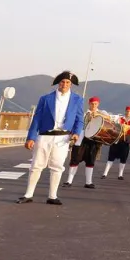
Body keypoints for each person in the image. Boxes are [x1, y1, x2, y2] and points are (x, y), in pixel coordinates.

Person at [17, 71, 86, 206]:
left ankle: (52, 196)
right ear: (58, 83)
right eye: (62, 82)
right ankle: (28, 194)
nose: (65, 84)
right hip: (44, 136)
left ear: (71, 85)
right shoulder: (45, 98)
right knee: (36, 165)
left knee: (57, 167)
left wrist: (76, 133)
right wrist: (31, 137)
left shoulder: (77, 100)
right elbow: (36, 118)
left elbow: (79, 120)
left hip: (63, 138)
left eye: (67, 83)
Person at [64, 95, 104, 188]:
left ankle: (88, 182)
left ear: (98, 104)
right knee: (75, 160)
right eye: (92, 104)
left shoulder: (102, 113)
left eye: (95, 104)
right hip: (81, 139)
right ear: (89, 104)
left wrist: (98, 114)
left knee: (90, 161)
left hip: (94, 140)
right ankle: (69, 181)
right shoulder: (84, 113)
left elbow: (108, 118)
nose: (93, 106)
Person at [103, 106, 130, 180]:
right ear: (125, 111)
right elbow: (114, 127)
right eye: (127, 111)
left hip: (126, 139)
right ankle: (105, 173)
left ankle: (120, 175)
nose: (128, 113)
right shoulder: (120, 119)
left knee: (123, 158)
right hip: (117, 138)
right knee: (111, 156)